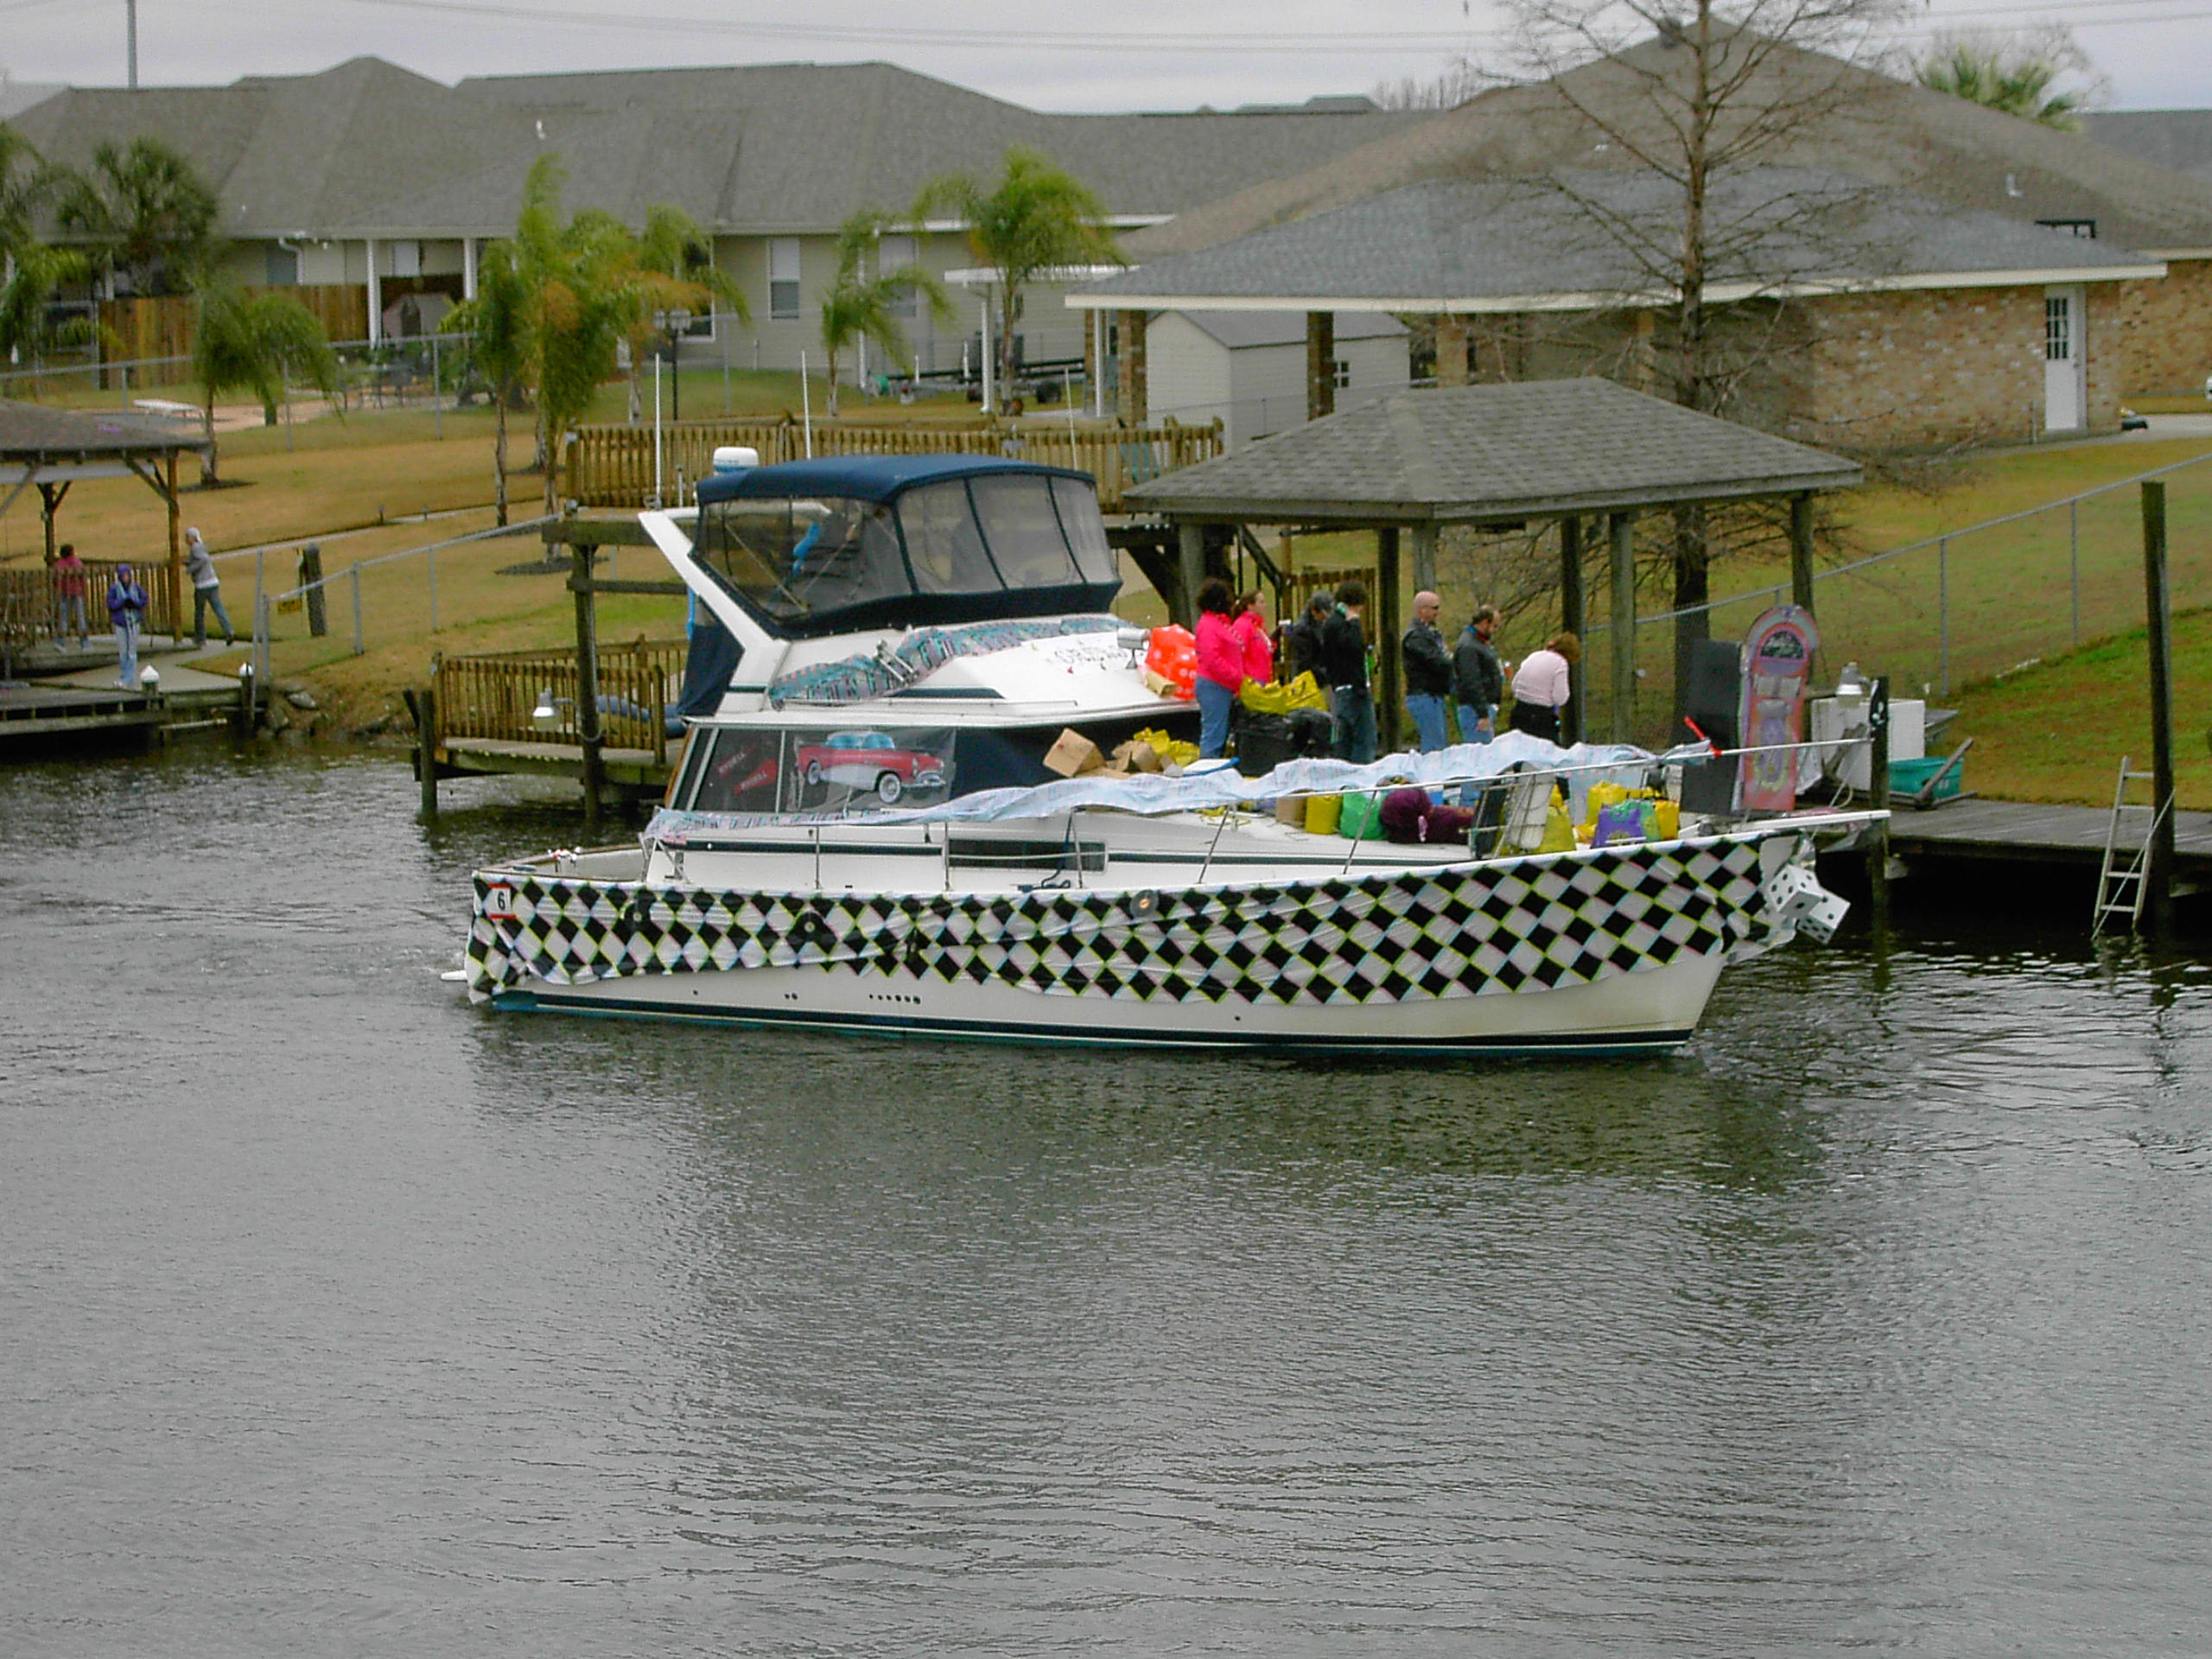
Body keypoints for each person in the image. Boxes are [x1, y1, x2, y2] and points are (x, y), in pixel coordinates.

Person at [1319, 579, 1376, 763]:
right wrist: (1355, 624)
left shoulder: (1329, 623)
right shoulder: (1344, 623)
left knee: (1344, 742)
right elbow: (1353, 648)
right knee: (1364, 740)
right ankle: (1361, 777)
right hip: (1353, 689)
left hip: (1339, 689)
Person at [1191, 575, 1246, 759]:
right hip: (1214, 685)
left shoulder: (1217, 623)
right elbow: (1211, 659)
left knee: (1218, 733)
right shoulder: (1209, 625)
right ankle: (1208, 769)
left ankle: (1212, 766)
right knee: (1213, 735)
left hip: (1221, 685)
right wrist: (1235, 676)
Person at [1402, 588, 1452, 753]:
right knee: (1433, 748)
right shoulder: (1415, 636)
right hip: (1423, 696)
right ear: (1422, 609)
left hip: (1432, 695)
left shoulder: (1430, 633)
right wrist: (1455, 662)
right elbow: (1436, 661)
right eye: (1435, 608)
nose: (1438, 612)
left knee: (1438, 743)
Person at [1509, 630, 1580, 744]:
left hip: (1519, 712)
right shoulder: (1561, 664)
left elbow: (1514, 685)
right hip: (1541, 718)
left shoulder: (1535, 655)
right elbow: (1560, 698)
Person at [1452, 604, 1504, 745]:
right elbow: (1471, 680)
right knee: (1478, 751)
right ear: (1484, 622)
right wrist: (1482, 713)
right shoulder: (1468, 647)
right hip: (1474, 710)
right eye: (1494, 626)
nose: (1495, 631)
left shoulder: (1479, 643)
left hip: (1483, 707)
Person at [184, 526, 234, 648]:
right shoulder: (201, 546)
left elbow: (203, 560)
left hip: (202, 584)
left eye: (187, 537)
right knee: (218, 608)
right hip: (213, 582)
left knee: (199, 612)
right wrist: (187, 562)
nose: (186, 539)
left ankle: (200, 638)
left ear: (193, 537)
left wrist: (189, 569)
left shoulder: (195, 548)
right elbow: (198, 559)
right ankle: (228, 631)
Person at [106, 563, 148, 689]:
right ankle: (124, 676)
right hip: (120, 623)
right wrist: (122, 602)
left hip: (133, 622)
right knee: (123, 652)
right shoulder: (114, 589)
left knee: (132, 652)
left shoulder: (135, 587)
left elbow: (144, 599)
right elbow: (110, 604)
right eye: (123, 575)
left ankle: (130, 678)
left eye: (127, 575)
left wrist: (134, 603)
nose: (125, 577)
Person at [1281, 588, 1333, 686]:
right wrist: (1328, 675)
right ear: (1314, 611)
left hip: (1319, 679)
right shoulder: (1302, 630)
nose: (1325, 618)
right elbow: (1304, 664)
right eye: (1323, 614)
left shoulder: (1318, 624)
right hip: (1308, 683)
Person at [52, 543, 89, 652]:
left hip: (64, 593)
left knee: (63, 618)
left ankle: (60, 642)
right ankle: (84, 643)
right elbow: (83, 576)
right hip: (77, 593)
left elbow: (55, 579)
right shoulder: (77, 563)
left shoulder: (59, 564)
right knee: (80, 618)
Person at [1232, 588, 1274, 686]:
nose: (1264, 606)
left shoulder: (1259, 626)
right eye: (1261, 602)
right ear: (1250, 606)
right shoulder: (1242, 625)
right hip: (1252, 681)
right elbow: (1238, 653)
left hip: (1263, 679)